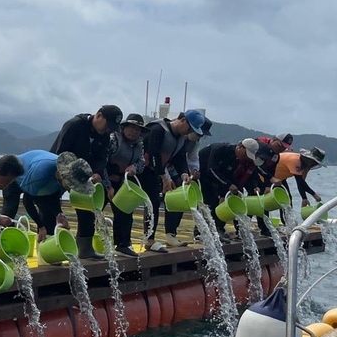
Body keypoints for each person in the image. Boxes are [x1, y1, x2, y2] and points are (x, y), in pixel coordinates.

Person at [50, 104, 123, 259]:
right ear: (98, 116)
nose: (108, 130)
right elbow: (62, 151)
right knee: (51, 205)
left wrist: (97, 173)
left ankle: (84, 247)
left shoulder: (104, 136)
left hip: (83, 174)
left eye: (112, 128)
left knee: (88, 205)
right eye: (107, 125)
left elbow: (101, 158)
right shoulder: (75, 125)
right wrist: (63, 176)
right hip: (59, 168)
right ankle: (50, 246)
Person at [139, 109, 205, 252]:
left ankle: (154, 239)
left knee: (155, 202)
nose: (189, 132)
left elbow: (179, 158)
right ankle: (145, 240)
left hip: (157, 172)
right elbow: (153, 155)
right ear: (183, 120)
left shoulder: (181, 138)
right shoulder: (158, 129)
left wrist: (184, 174)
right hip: (141, 170)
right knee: (148, 203)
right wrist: (164, 178)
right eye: (189, 128)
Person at [0, 150, 95, 243]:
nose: (72, 188)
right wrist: (40, 226)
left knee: (49, 215)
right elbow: (27, 201)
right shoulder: (41, 174)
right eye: (72, 185)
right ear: (62, 176)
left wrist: (59, 214)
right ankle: (4, 244)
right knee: (9, 214)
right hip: (15, 176)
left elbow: (53, 196)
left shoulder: (63, 174)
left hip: (39, 180)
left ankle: (45, 250)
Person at [198, 138, 266, 238]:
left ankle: (218, 230)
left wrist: (254, 186)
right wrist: (228, 185)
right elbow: (212, 170)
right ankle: (201, 232)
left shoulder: (239, 159)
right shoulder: (219, 149)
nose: (247, 157)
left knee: (229, 199)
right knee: (210, 203)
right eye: (246, 154)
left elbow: (236, 176)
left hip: (218, 177)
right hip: (203, 174)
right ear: (240, 147)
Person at [106, 114, 149, 257]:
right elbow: (100, 162)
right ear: (124, 127)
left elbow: (142, 162)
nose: (134, 131)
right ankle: (87, 246)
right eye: (131, 127)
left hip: (121, 182)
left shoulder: (139, 144)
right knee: (93, 212)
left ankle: (123, 244)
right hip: (103, 180)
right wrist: (107, 185)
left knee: (125, 212)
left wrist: (135, 167)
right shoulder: (113, 140)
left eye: (138, 129)